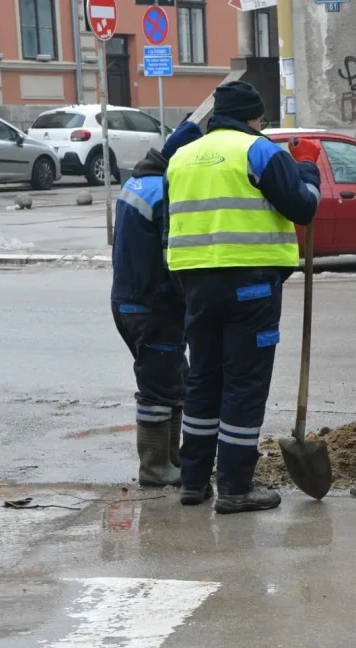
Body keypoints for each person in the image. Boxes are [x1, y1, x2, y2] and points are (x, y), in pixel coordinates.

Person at [163, 80, 322, 514]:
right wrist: (307, 166)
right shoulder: (260, 151)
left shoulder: (182, 156)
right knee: (244, 384)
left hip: (196, 284)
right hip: (250, 286)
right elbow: (303, 207)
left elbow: (170, 223)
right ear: (254, 118)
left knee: (204, 380)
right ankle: (235, 487)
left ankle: (194, 482)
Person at [111, 120, 204, 489]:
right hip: (152, 305)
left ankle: (171, 460)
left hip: (130, 300)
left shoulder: (138, 182)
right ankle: (155, 466)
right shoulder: (164, 192)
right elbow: (172, 258)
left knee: (172, 379)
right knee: (159, 386)